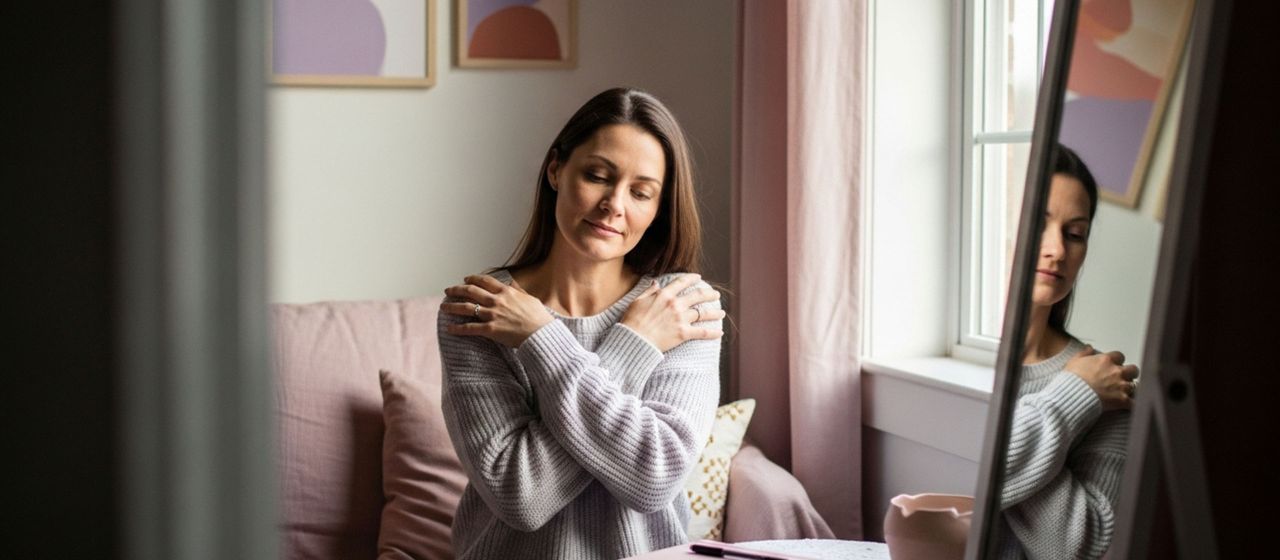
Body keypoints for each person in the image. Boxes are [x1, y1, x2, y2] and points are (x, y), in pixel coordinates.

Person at [437, 87, 726, 559]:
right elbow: (521, 496)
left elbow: (654, 479)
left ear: (657, 209)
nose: (614, 204)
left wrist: (541, 338)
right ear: (556, 170)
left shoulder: (680, 308)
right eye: (597, 176)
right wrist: (632, 345)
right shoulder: (482, 310)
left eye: (641, 192)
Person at [997, 144, 1138, 559]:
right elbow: (962, 474)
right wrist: (1072, 397)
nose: (1057, 250)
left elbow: (1081, 547)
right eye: (1036, 224)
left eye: (1074, 234)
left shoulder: (1108, 383)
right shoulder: (1089, 388)